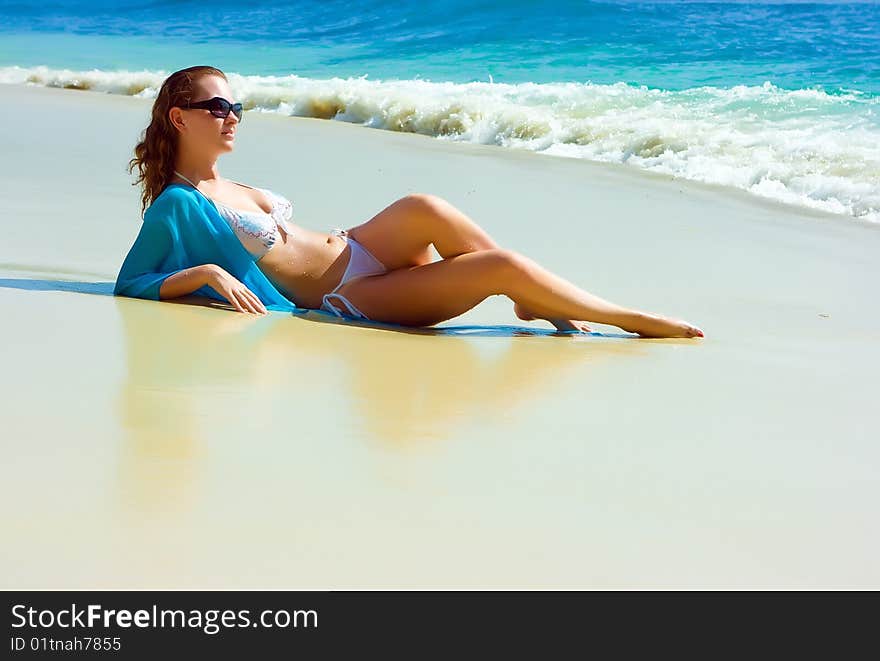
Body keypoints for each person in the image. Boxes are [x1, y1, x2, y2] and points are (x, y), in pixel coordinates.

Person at [122, 65, 704, 338]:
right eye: (218, 108)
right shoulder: (179, 202)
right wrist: (202, 273)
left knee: (425, 205)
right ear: (180, 118)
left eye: (236, 108)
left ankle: (533, 303)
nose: (232, 118)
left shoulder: (235, 184)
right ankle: (628, 319)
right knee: (500, 268)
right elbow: (133, 281)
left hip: (353, 246)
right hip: (347, 293)